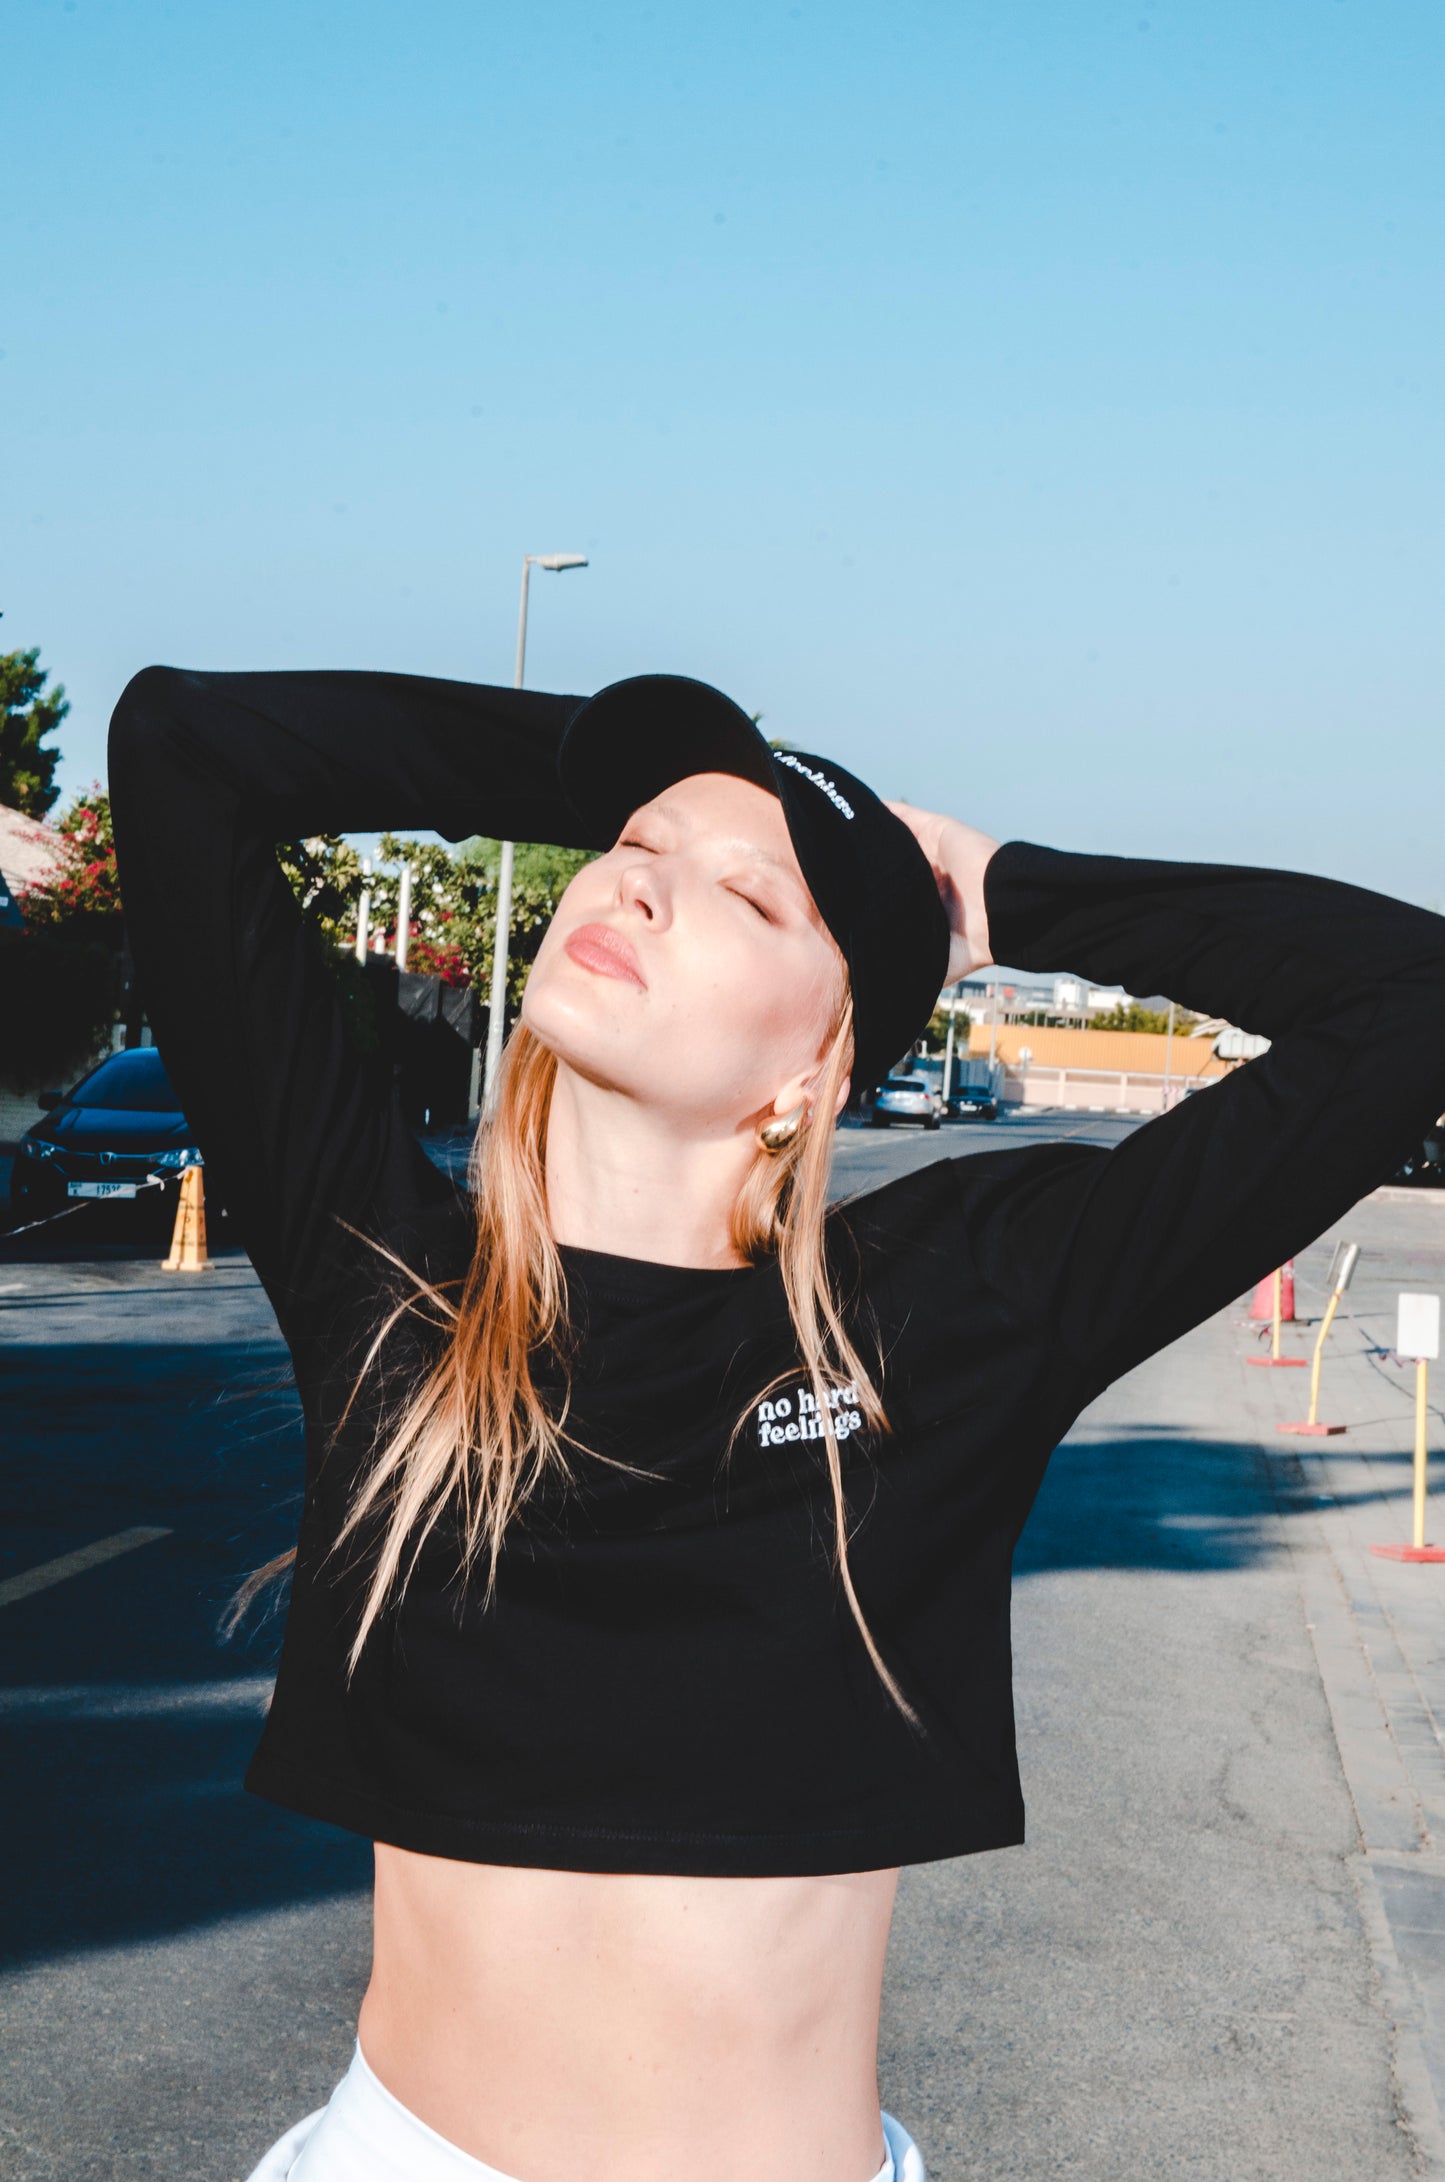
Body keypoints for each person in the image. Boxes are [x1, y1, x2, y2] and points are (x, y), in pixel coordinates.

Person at [107, 663, 1445, 2182]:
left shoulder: (947, 1317)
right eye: (630, 847)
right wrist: (674, 770)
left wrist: (1001, 891)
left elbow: (1408, 1000)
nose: (641, 887)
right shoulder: (401, 1299)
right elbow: (182, 745)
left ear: (812, 1071)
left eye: (747, 899)